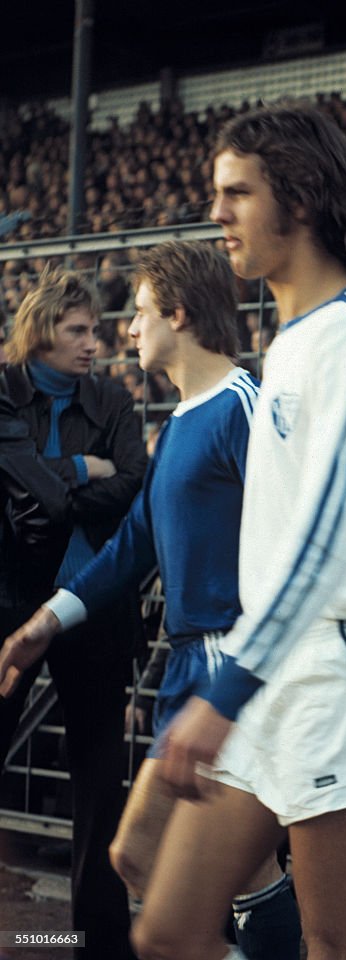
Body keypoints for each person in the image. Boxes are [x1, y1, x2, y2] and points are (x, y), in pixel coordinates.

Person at [114, 102, 346, 960]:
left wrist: (225, 687)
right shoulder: (288, 345)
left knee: (341, 949)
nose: (216, 212)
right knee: (169, 927)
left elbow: (326, 538)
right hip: (273, 668)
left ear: (298, 194)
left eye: (236, 193)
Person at [0, 241, 301, 960]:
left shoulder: (245, 409)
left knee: (217, 884)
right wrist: (46, 621)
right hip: (185, 665)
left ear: (179, 314)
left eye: (137, 314)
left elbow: (297, 544)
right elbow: (133, 543)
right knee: (135, 857)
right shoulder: (176, 426)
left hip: (233, 666)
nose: (125, 331)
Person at [0, 266, 147, 960]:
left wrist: (56, 484)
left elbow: (132, 489)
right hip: (12, 603)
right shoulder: (6, 395)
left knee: (98, 773)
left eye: (95, 330)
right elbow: (27, 495)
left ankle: (98, 942)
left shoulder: (111, 397)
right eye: (78, 330)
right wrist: (84, 471)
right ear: (42, 330)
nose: (94, 342)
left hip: (91, 601)